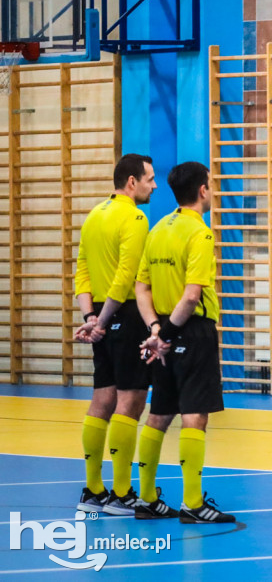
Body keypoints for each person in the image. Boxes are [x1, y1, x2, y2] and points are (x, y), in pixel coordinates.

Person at [135, 162, 235, 523]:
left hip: (162, 329)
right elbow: (192, 296)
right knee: (195, 416)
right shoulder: (201, 234)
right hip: (191, 333)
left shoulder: (158, 229)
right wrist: (172, 335)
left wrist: (156, 331)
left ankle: (146, 498)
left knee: (159, 414)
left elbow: (141, 287)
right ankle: (193, 503)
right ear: (203, 191)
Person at [73, 154, 157, 514]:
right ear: (131, 183)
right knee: (131, 401)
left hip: (101, 319)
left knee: (102, 400)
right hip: (124, 317)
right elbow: (126, 278)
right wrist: (104, 320)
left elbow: (82, 272)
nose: (153, 185)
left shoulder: (94, 215)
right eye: (149, 179)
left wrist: (90, 316)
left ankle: (93, 490)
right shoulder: (136, 217)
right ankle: (122, 494)